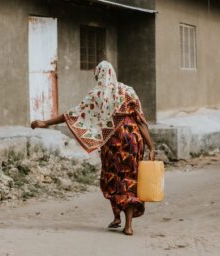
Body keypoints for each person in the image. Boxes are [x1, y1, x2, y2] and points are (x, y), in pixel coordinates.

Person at [31, 61, 155, 236]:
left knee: (111, 177)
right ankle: (127, 225)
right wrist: (151, 146)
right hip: (133, 140)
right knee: (129, 180)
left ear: (99, 75)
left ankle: (117, 216)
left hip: (113, 142)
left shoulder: (96, 95)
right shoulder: (128, 91)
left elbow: (72, 115)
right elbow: (141, 121)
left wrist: (45, 122)